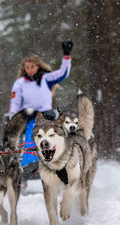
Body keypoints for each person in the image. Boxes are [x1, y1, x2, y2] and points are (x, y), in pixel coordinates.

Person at [8, 41, 74, 190]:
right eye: (27, 67)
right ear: (24, 68)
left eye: (32, 66)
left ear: (38, 66)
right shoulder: (20, 83)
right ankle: (30, 166)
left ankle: (60, 167)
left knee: (56, 136)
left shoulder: (46, 79)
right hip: (28, 117)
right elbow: (15, 101)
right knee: (33, 135)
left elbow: (63, 73)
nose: (30, 69)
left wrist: (66, 55)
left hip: (47, 115)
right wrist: (12, 116)